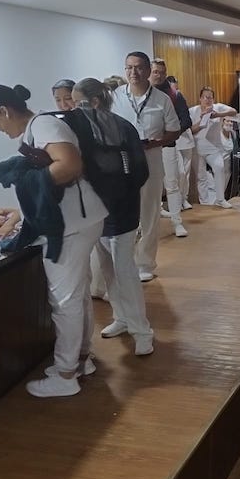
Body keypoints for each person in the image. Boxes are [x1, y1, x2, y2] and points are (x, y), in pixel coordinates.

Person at [0, 84, 108, 398]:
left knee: (64, 302)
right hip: (83, 219)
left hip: (70, 226)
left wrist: (29, 181)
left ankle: (65, 375)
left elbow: (70, 165)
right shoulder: (38, 129)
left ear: (5, 110)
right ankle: (81, 359)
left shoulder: (44, 126)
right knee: (78, 295)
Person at [71, 78, 154, 356]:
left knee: (125, 270)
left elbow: (139, 171)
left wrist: (118, 194)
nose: (72, 108)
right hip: (96, 212)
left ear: (95, 102)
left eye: (77, 102)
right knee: (107, 268)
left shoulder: (122, 128)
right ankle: (121, 317)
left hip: (121, 210)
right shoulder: (82, 131)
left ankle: (142, 330)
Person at [111, 51, 186, 283]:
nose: (133, 72)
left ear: (148, 71)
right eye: (129, 67)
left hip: (151, 160)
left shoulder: (162, 99)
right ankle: (124, 262)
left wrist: (155, 142)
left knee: (150, 214)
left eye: (139, 67)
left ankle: (145, 263)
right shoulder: (115, 97)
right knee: (124, 214)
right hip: (122, 163)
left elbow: (174, 130)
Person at [150, 60, 194, 213]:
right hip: (146, 146)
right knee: (150, 183)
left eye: (162, 72)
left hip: (168, 145)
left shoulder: (174, 95)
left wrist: (171, 134)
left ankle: (176, 218)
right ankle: (157, 209)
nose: (159, 75)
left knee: (173, 180)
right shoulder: (142, 94)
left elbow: (186, 120)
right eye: (156, 72)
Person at [189, 86, 237, 208]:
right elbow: (190, 130)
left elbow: (234, 112)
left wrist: (218, 115)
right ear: (200, 98)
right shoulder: (193, 111)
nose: (207, 100)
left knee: (219, 167)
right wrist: (201, 122)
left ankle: (220, 199)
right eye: (205, 97)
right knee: (201, 177)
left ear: (213, 99)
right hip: (197, 148)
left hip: (214, 148)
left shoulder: (218, 107)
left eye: (210, 98)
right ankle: (204, 203)